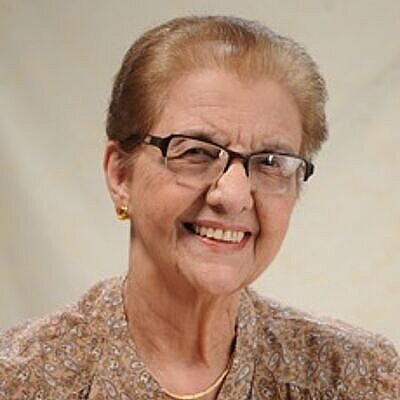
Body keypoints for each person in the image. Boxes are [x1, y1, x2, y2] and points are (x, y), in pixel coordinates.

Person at [0, 15, 398, 400]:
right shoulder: (19, 381)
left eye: (270, 162)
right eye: (196, 152)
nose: (234, 195)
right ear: (120, 175)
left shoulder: (360, 379)